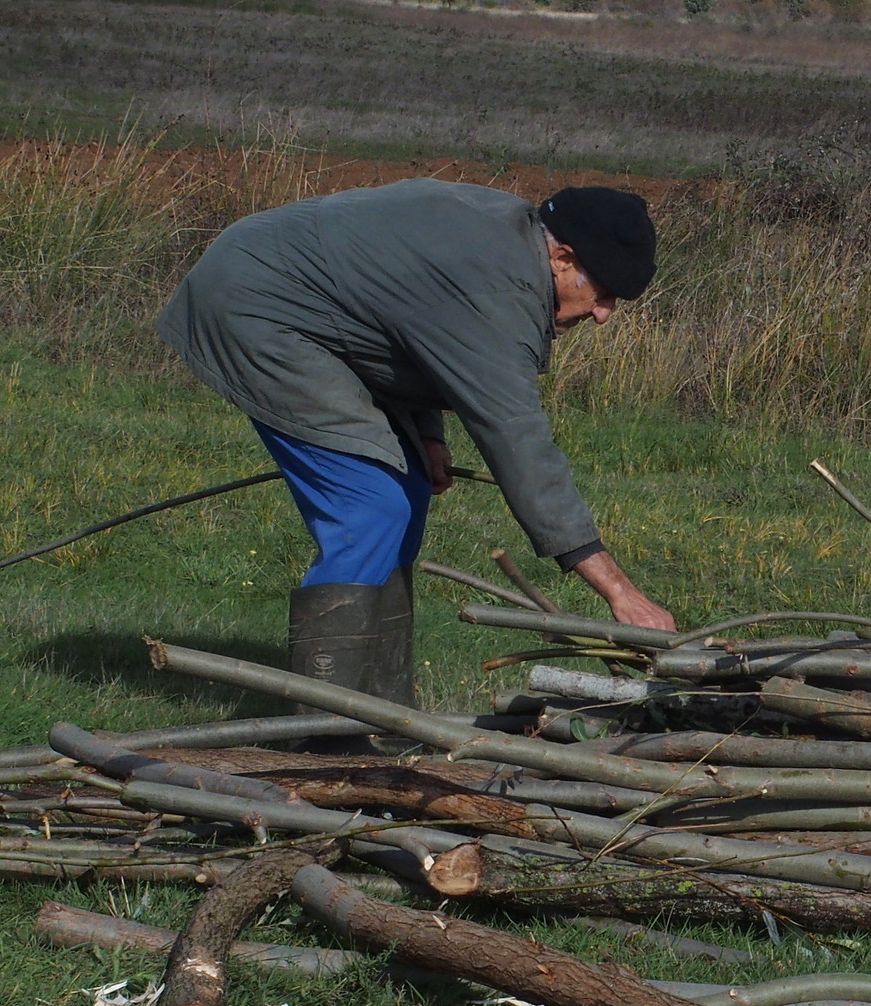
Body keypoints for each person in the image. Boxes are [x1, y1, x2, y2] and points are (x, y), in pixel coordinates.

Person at [155, 178, 677, 710]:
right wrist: (619, 591)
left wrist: (426, 433)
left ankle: (382, 712)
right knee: (369, 510)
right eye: (604, 292)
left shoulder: (508, 245)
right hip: (259, 307)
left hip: (306, 306)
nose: (604, 313)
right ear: (563, 258)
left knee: (409, 490)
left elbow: (408, 313)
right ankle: (324, 731)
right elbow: (519, 444)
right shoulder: (499, 286)